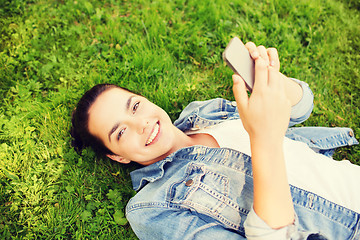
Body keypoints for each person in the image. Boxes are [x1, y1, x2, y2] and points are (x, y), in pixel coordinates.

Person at [71, 42, 360, 240]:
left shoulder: (204, 111)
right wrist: (265, 141)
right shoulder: (150, 209)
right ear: (118, 156)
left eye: (134, 106)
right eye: (120, 132)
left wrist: (271, 79)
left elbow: (301, 106)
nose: (142, 123)